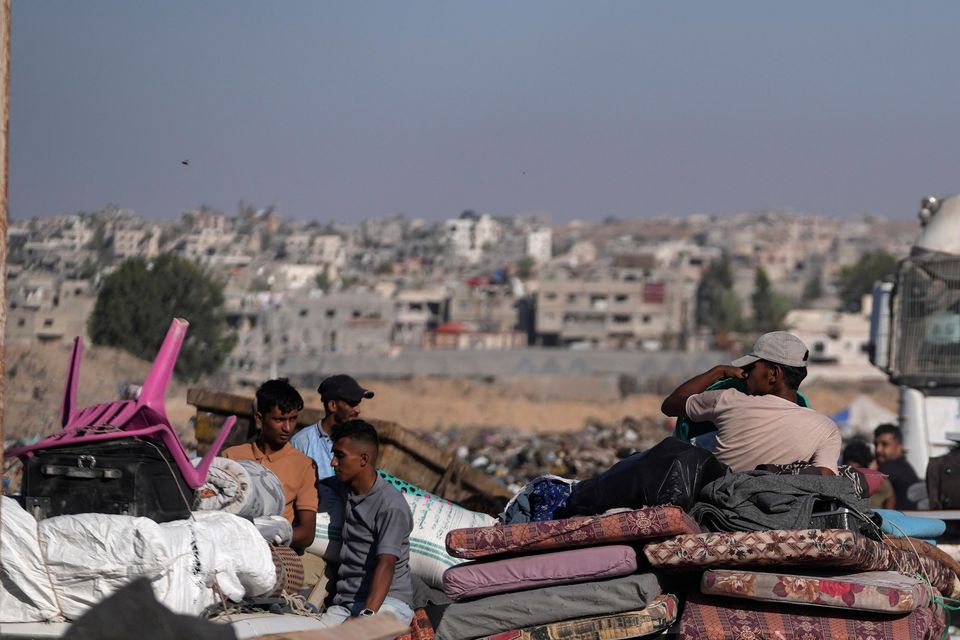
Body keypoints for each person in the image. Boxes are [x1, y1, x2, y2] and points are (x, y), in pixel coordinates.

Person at [661, 331, 842, 474]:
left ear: (774, 374)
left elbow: (670, 405)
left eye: (751, 367)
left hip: (715, 508)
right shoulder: (826, 428)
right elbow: (825, 476)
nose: (745, 373)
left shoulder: (728, 400)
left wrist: (719, 371)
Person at [316, 420, 414, 627]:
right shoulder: (345, 487)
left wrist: (364, 616)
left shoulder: (390, 505)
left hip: (387, 605)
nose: (333, 462)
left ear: (363, 459)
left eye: (340, 455)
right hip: (344, 604)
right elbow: (313, 486)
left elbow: (387, 563)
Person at [222, 379, 318, 551]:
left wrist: (269, 534)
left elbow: (306, 533)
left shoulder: (304, 466)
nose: (287, 428)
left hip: (277, 551)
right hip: (232, 545)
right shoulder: (232, 457)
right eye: (279, 419)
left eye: (293, 419)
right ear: (259, 418)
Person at [291, 374, 374, 480]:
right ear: (332, 406)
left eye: (358, 404)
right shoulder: (302, 443)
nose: (358, 410)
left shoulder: (361, 441)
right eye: (352, 403)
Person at [874, 423, 921, 510]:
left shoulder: (890, 469)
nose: (878, 449)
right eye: (876, 444)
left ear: (899, 447)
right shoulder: (905, 467)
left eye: (884, 444)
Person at [842, 439, 895, 509]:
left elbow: (890, 501)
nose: (853, 476)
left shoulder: (882, 483)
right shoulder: (838, 482)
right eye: (849, 470)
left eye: (858, 470)